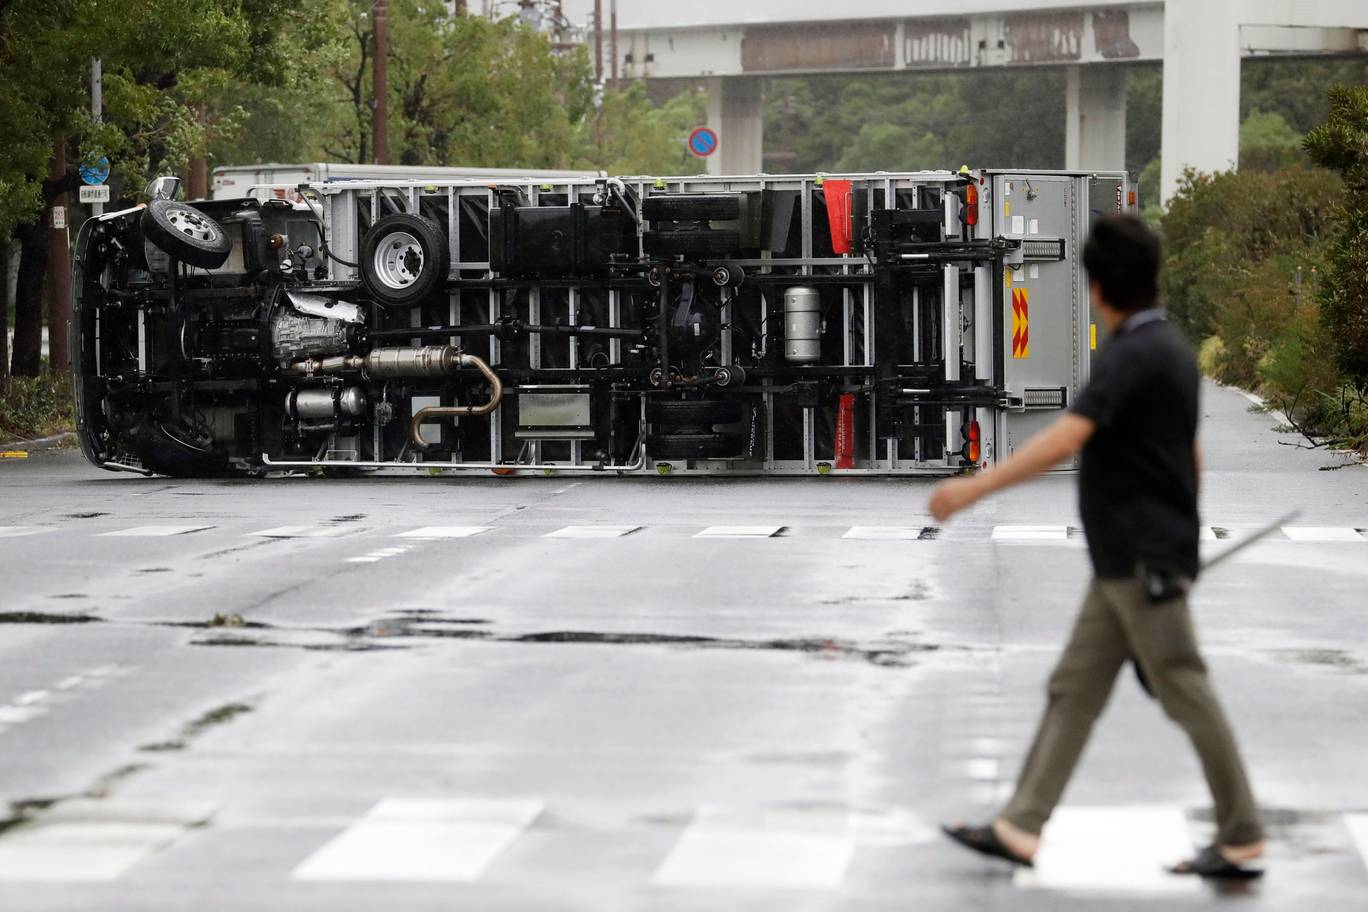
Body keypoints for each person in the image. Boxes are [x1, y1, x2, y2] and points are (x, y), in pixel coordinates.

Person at [930, 215, 1265, 880]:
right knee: (1073, 689)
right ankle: (1020, 828)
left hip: (1139, 559)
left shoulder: (1129, 354)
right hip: (1128, 559)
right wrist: (1183, 533)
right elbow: (1188, 453)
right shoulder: (1172, 348)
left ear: (1099, 286)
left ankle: (1242, 835)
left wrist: (974, 489)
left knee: (1185, 690)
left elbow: (1066, 437)